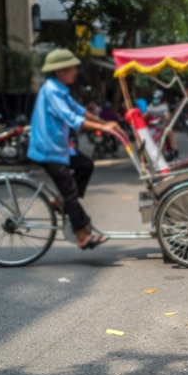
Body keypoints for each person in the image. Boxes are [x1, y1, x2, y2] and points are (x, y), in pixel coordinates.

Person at [28, 48, 120, 250]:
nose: (75, 71)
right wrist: (103, 127)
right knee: (70, 192)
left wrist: (104, 123)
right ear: (60, 70)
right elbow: (72, 119)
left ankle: (61, 202)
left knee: (85, 165)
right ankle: (82, 236)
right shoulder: (52, 91)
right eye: (72, 68)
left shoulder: (60, 89)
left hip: (60, 148)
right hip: (48, 150)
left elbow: (80, 111)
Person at [147, 89, 179, 159]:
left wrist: (166, 117)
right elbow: (145, 115)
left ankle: (174, 149)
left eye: (157, 98)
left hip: (162, 125)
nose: (155, 100)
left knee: (169, 131)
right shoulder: (149, 107)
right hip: (151, 127)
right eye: (154, 98)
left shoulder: (164, 107)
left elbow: (167, 115)